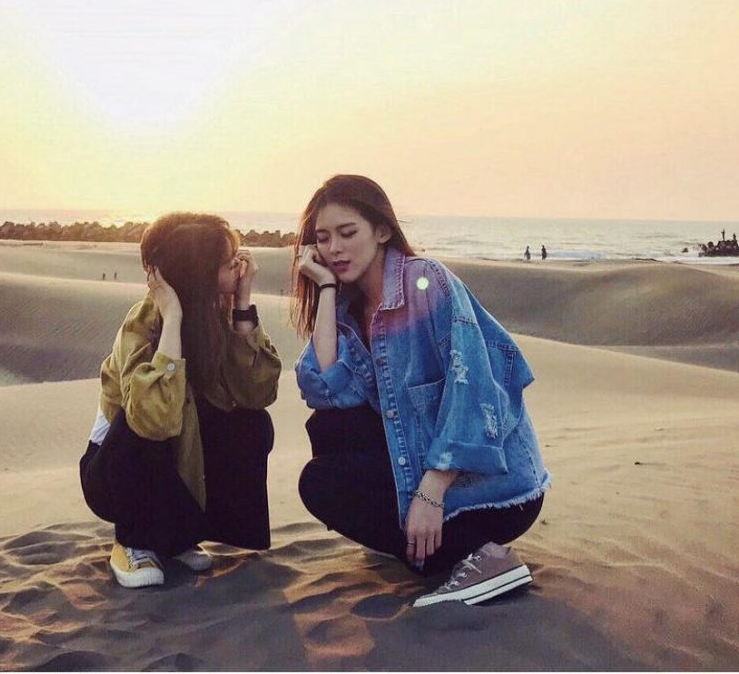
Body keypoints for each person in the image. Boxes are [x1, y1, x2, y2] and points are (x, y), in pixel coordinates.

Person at [292, 175, 550, 608]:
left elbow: (476, 389)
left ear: (382, 230)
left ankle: (485, 558)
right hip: (419, 473)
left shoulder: (426, 282)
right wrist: (327, 290)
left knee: (329, 471)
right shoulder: (350, 310)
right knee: (326, 443)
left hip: (491, 487)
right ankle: (427, 548)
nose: (334, 248)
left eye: (347, 232)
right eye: (323, 238)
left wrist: (432, 490)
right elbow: (323, 388)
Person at [79, 212, 281, 589]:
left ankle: (176, 535)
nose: (240, 265)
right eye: (229, 261)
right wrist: (172, 316)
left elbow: (258, 392)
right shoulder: (144, 322)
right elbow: (152, 419)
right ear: (199, 273)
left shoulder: (217, 315)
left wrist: (243, 304)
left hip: (180, 457)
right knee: (152, 413)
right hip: (114, 472)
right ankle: (133, 540)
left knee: (253, 424)